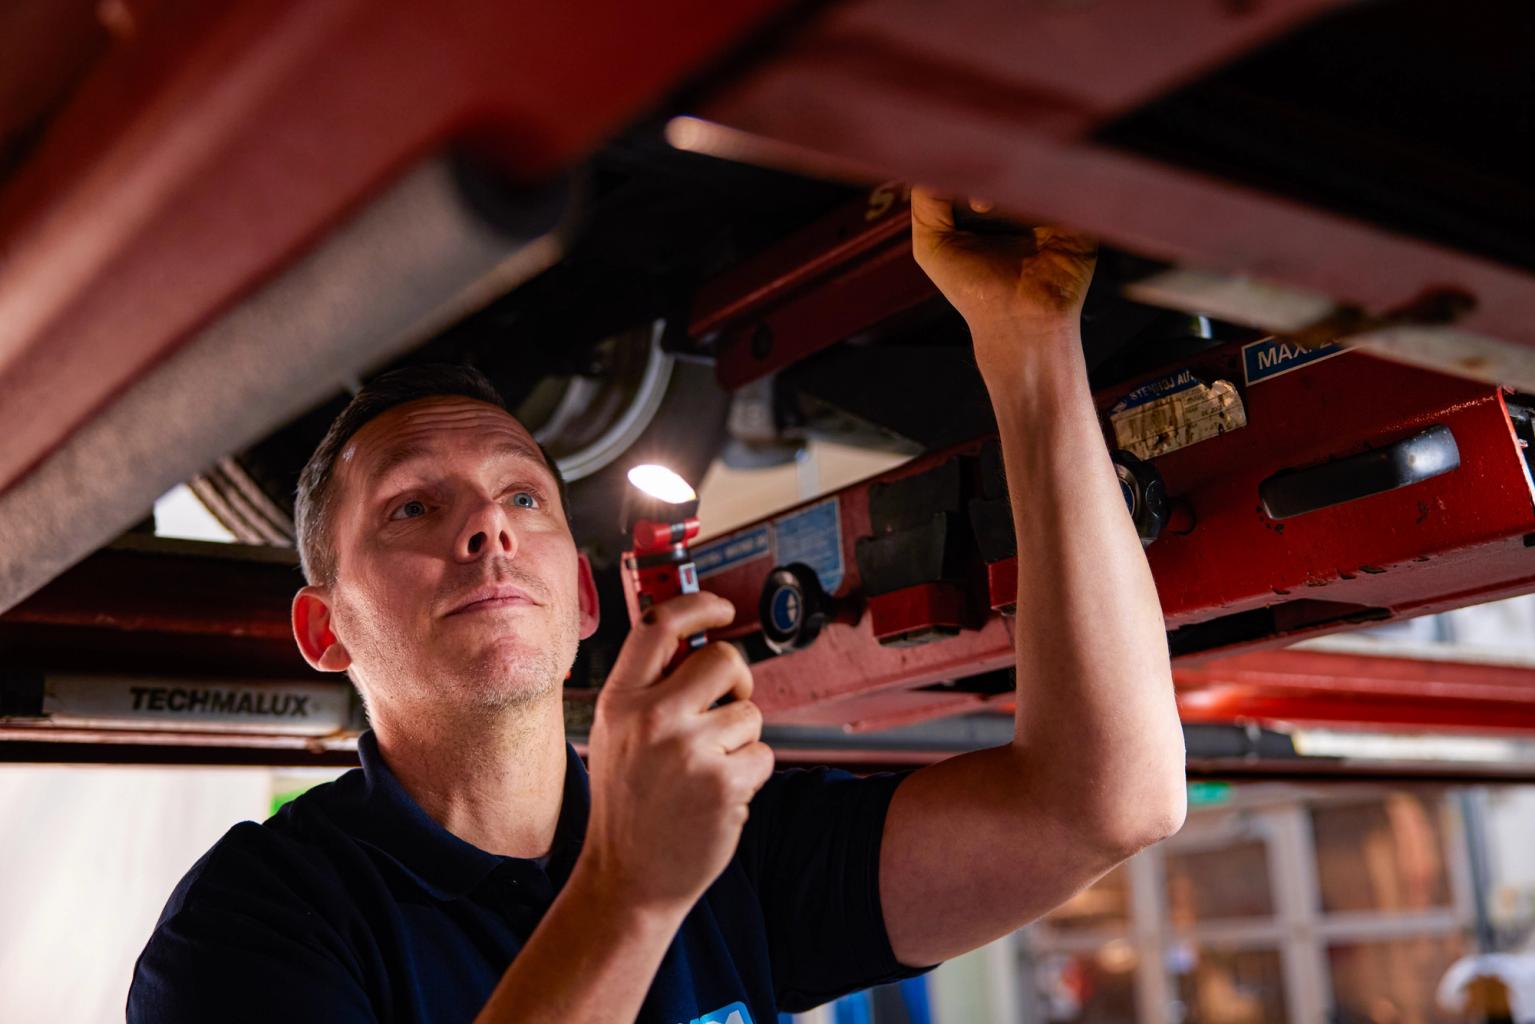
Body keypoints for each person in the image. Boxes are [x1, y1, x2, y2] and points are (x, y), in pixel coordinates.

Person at [127, 189, 1186, 1023]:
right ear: (325, 630)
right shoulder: (254, 927)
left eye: (523, 496)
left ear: (586, 598)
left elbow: (1103, 800)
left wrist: (1028, 343)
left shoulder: (728, 843)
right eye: (412, 506)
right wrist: (630, 890)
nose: (488, 527)